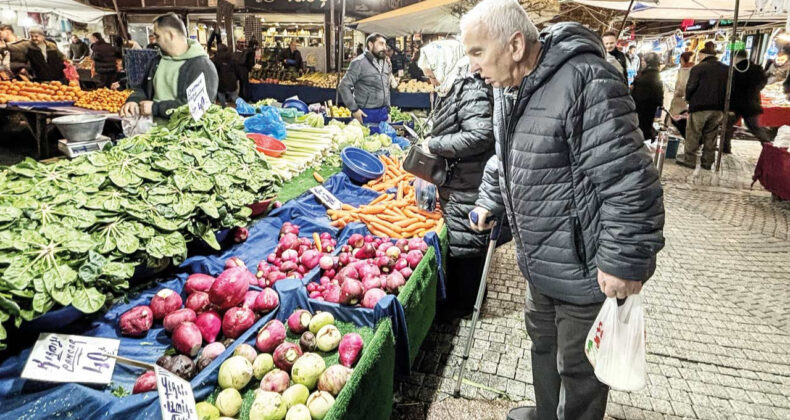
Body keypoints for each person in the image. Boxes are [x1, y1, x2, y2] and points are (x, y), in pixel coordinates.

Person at [459, 1, 665, 419]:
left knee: (579, 367)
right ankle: (546, 412)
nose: (471, 66)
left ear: (515, 44)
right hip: (540, 261)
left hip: (585, 266)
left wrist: (624, 262)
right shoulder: (508, 89)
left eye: (477, 52)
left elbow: (631, 180)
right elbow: (508, 156)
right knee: (543, 346)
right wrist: (488, 200)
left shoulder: (585, 80)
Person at [417, 40, 495, 319]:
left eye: (431, 73)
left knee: (469, 243)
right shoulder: (451, 86)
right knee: (462, 240)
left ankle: (467, 304)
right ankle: (463, 297)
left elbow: (481, 134)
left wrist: (435, 144)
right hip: (459, 177)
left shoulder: (469, 87)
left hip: (469, 178)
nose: (430, 79)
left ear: (444, 62)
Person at [121, 13, 218, 121]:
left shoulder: (201, 66)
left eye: (157, 36)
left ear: (171, 35)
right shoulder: (156, 61)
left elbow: (197, 108)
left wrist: (155, 108)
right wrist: (133, 100)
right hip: (153, 133)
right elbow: (143, 89)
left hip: (185, 135)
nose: (155, 41)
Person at [676, 42, 728, 170]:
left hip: (700, 106)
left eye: (699, 56)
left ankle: (690, 160)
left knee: (693, 133)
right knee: (711, 134)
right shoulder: (726, 69)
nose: (698, 58)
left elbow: (691, 86)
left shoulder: (699, 68)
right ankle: (707, 162)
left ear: (704, 55)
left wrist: (688, 99)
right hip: (718, 108)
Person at [338, 33, 391, 124]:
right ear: (370, 45)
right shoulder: (359, 63)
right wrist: (354, 110)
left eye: (385, 44)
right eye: (381, 44)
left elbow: (386, 87)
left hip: (383, 113)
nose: (384, 47)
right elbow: (343, 86)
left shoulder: (386, 63)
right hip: (365, 113)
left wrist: (388, 110)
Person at [724, 49, 770, 151]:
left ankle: (726, 147)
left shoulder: (733, 70)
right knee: (755, 128)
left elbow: (729, 88)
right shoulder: (757, 69)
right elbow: (763, 83)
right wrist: (753, 92)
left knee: (727, 126)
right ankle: (768, 147)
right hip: (752, 103)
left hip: (735, 104)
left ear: (735, 57)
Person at [630, 52, 664, 141]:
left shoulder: (649, 75)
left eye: (643, 61)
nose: (642, 62)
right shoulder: (653, 73)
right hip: (647, 108)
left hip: (643, 108)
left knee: (642, 128)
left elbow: (642, 94)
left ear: (648, 62)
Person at [667, 51, 695, 137]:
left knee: (678, 119)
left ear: (683, 59)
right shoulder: (690, 69)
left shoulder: (687, 70)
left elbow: (683, 85)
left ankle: (675, 133)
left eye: (681, 59)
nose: (680, 61)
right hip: (684, 98)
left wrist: (678, 93)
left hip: (682, 99)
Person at [212, 43, 239, 107]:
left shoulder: (215, 59)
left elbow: (214, 70)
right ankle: (242, 108)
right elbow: (236, 69)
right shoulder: (232, 57)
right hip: (231, 80)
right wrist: (236, 78)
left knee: (221, 95)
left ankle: (224, 108)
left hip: (221, 81)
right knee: (234, 97)